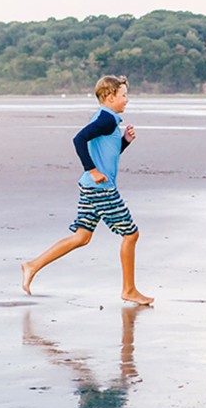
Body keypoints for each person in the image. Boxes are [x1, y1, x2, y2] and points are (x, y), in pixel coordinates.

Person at [21, 75, 154, 305]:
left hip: (91, 186)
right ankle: (129, 289)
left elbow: (106, 155)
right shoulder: (106, 120)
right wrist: (91, 170)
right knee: (131, 234)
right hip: (101, 188)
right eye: (124, 96)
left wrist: (124, 142)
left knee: (82, 237)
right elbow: (79, 139)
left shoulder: (108, 119)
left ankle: (32, 265)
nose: (127, 100)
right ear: (110, 96)